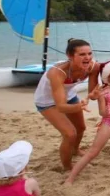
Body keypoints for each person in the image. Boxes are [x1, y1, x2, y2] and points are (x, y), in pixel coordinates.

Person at [65, 60, 110, 185]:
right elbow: (102, 113)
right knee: (93, 151)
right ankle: (70, 178)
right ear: (108, 77)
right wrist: (106, 110)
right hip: (108, 122)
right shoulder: (104, 91)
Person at [34, 38, 104, 170]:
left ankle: (75, 150)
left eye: (89, 53)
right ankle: (67, 166)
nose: (87, 57)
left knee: (81, 128)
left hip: (69, 96)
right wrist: (78, 106)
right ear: (70, 56)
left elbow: (92, 94)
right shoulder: (57, 72)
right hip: (47, 101)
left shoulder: (93, 67)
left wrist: (94, 95)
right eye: (82, 54)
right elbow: (60, 106)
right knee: (70, 133)